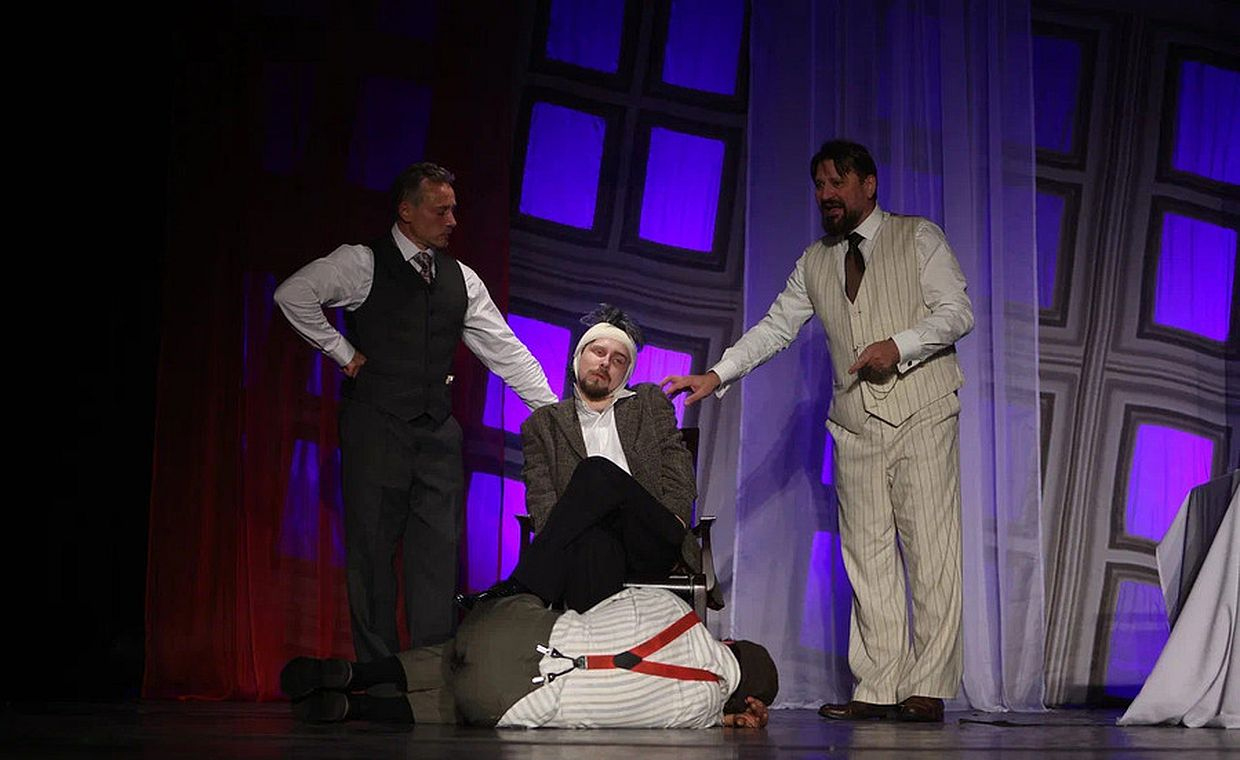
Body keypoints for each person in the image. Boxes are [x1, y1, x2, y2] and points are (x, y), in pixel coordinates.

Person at [662, 140, 974, 723]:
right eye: (819, 185)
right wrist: (718, 373)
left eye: (837, 183)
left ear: (868, 185)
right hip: (855, 425)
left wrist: (898, 345)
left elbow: (957, 312)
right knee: (867, 558)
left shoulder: (918, 237)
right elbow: (776, 328)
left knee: (930, 551)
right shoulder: (816, 261)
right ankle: (878, 685)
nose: (825, 195)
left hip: (922, 411)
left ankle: (927, 685)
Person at [274, 162, 557, 662]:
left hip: (436, 434)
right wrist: (342, 352)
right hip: (376, 427)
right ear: (406, 211)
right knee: (372, 555)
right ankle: (381, 677)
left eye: (454, 209)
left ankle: (428, 676)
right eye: (440, 210)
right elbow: (292, 294)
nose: (452, 220)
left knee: (437, 560)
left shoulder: (461, 279)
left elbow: (506, 351)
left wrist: (555, 414)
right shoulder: (363, 262)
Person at [459, 305, 699, 613]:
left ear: (626, 373)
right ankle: (593, 642)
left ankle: (524, 582)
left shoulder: (648, 402)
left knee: (595, 470)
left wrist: (677, 518)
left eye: (618, 360)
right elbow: (543, 501)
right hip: (591, 539)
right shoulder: (544, 424)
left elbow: (678, 469)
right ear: (579, 357)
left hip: (652, 535)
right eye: (598, 352)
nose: (605, 363)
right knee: (594, 545)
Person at [279, 586, 777, 728]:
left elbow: (596, 606)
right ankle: (358, 708)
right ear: (745, 700)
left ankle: (357, 672)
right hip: (509, 699)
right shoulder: (699, 716)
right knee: (461, 703)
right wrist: (730, 718)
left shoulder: (673, 607)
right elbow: (711, 713)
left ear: (731, 642)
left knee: (458, 651)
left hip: (508, 631)